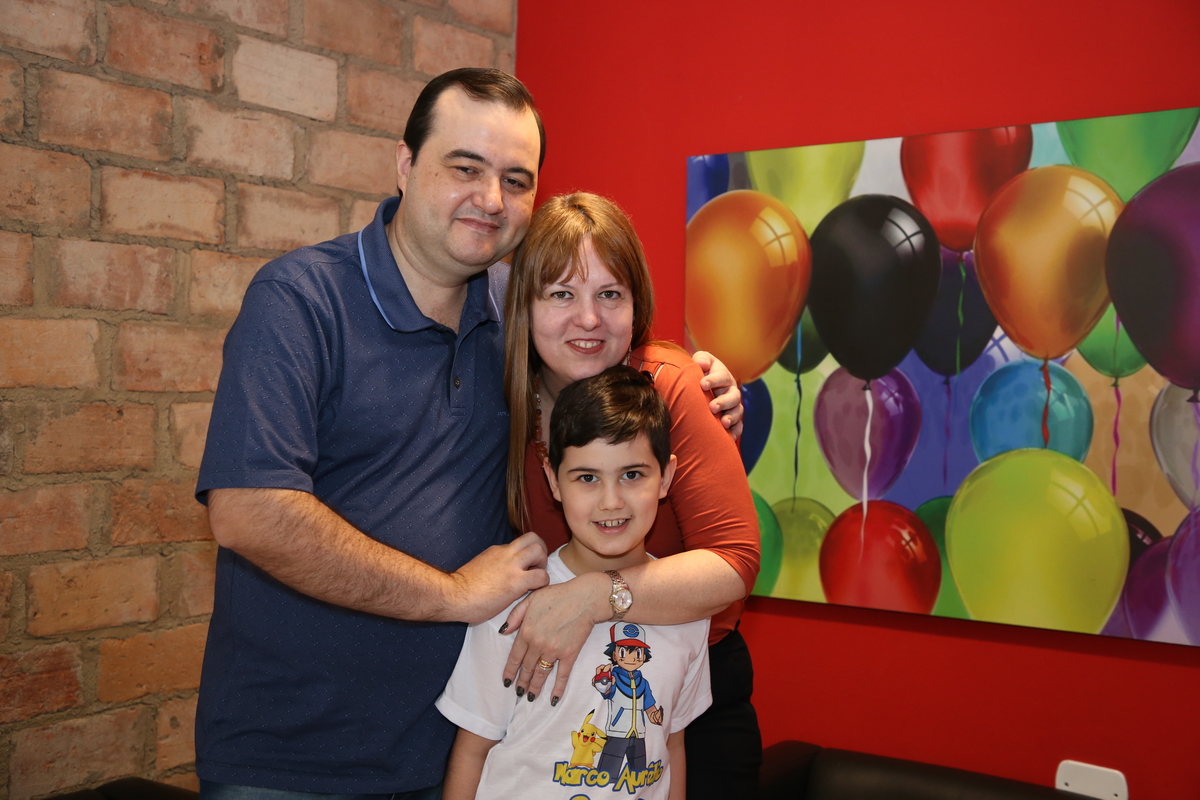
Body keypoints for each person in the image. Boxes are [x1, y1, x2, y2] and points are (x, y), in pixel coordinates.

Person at [194, 68, 741, 798]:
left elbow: (606, 347)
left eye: (516, 180)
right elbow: (248, 512)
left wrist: (703, 382)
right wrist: (451, 595)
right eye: (465, 168)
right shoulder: (301, 300)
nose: (490, 199)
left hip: (462, 744)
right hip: (296, 755)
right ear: (405, 164)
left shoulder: (520, 315)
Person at [500, 193, 763, 799]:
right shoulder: (501, 405)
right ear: (524, 307)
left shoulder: (672, 388)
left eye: (610, 294)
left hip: (687, 691)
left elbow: (735, 562)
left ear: (636, 302)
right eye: (561, 294)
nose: (589, 319)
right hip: (553, 694)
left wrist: (596, 595)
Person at [437, 366, 711, 800]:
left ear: (666, 477)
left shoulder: (686, 605)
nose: (611, 501)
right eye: (587, 478)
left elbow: (671, 745)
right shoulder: (512, 602)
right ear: (553, 480)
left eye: (632, 474)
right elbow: (473, 750)